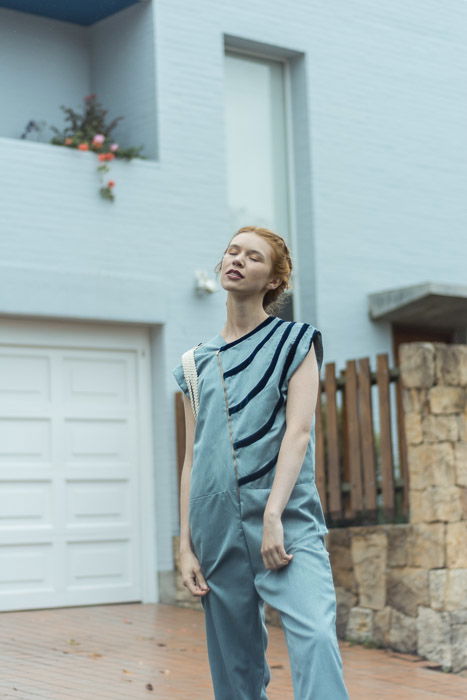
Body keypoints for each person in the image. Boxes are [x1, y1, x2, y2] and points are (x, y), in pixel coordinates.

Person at [172, 225, 349, 699]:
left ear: (274, 280)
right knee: (235, 665)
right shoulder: (194, 363)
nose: (237, 260)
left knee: (314, 634)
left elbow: (299, 431)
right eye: (232, 251)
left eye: (253, 257)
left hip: (286, 516)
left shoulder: (296, 342)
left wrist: (273, 513)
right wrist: (186, 545)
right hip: (214, 524)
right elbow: (192, 458)